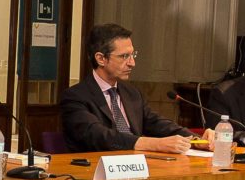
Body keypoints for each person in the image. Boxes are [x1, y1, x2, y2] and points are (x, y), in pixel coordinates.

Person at [60, 23, 191, 154]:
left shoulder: (132, 93)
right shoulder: (75, 97)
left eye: (133, 55)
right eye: (124, 56)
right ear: (101, 59)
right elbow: (98, 136)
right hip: (97, 164)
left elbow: (156, 123)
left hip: (136, 163)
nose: (132, 63)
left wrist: (195, 139)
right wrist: (154, 144)